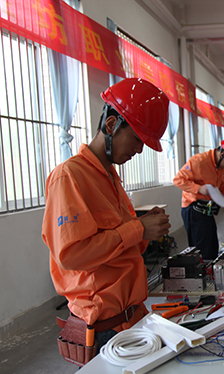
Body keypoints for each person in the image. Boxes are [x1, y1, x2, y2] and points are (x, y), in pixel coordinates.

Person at [42, 78, 172, 358]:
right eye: (137, 139)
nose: (139, 150)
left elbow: (123, 248)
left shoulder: (111, 177)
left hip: (131, 318)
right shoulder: (69, 177)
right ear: (111, 125)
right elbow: (71, 255)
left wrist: (145, 228)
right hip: (103, 328)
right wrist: (137, 229)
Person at [173, 138, 224, 260]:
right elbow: (178, 180)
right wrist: (198, 188)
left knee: (211, 246)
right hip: (193, 209)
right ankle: (203, 269)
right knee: (201, 249)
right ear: (222, 154)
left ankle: (210, 268)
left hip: (207, 210)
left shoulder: (221, 166)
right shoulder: (199, 161)